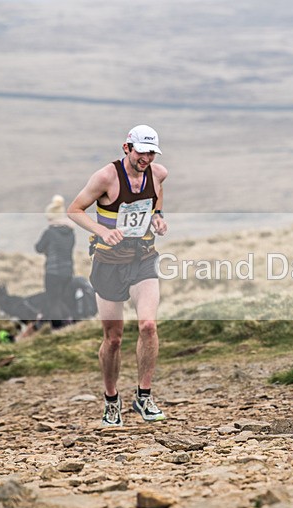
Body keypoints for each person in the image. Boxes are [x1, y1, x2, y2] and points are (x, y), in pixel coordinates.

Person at [67, 125, 169, 427]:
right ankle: (112, 400)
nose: (146, 158)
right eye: (141, 152)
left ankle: (144, 396)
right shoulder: (106, 177)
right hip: (108, 263)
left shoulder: (158, 173)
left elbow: (157, 196)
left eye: (151, 152)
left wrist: (158, 217)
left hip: (143, 258)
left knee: (148, 326)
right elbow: (75, 209)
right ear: (127, 148)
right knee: (113, 339)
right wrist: (102, 231)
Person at [35, 195, 75, 327]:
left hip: (53, 272)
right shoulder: (70, 232)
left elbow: (39, 248)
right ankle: (70, 321)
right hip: (68, 272)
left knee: (54, 301)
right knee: (61, 299)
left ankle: (58, 328)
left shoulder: (50, 232)